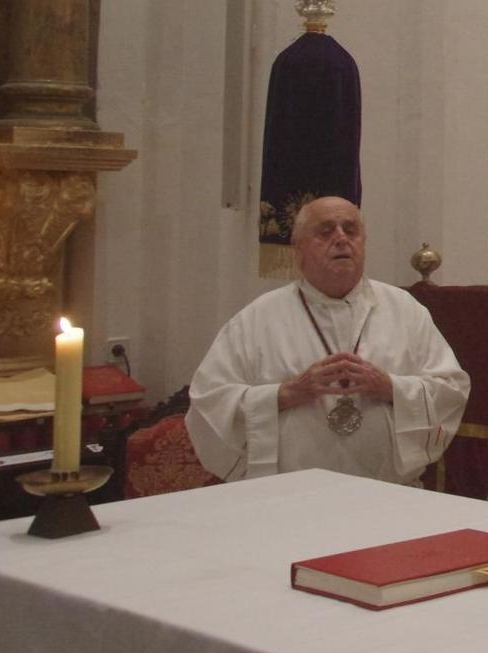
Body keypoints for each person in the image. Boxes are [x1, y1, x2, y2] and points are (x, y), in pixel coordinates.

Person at [186, 196, 468, 484]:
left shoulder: (405, 311)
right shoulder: (257, 320)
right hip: (289, 499)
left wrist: (391, 388)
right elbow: (208, 403)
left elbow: (451, 390)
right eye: (325, 231)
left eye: (351, 229)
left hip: (385, 496)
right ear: (298, 249)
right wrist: (285, 394)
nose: (341, 239)